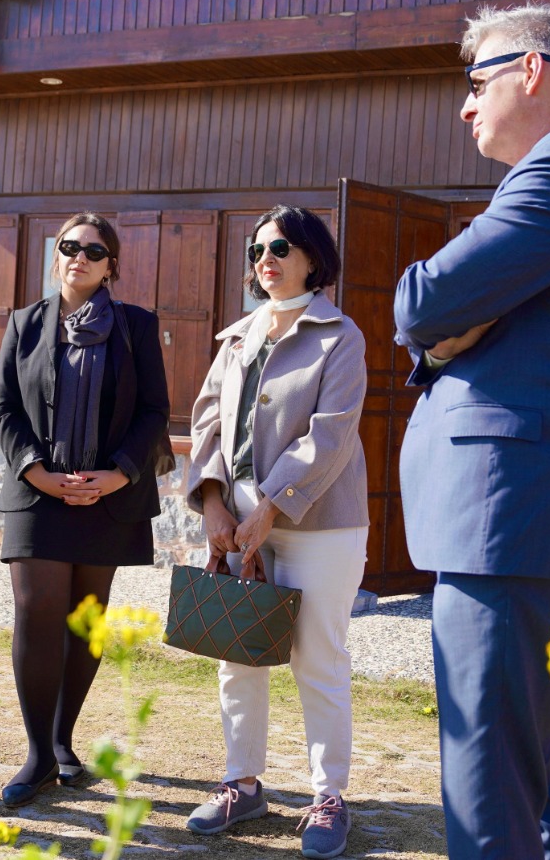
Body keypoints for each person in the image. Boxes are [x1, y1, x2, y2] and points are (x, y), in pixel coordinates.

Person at [392, 2, 550, 860]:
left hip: (508, 523)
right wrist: (451, 329)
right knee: (532, 787)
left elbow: (422, 300)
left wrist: (447, 325)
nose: (466, 106)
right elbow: (446, 318)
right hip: (523, 520)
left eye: (476, 82)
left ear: (529, 70)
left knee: (489, 789)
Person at [184, 206, 369, 860]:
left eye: (282, 247)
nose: (267, 257)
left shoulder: (340, 336)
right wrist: (211, 502)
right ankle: (242, 783)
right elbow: (206, 423)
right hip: (235, 528)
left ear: (313, 259)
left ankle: (327, 797)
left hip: (319, 527)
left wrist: (270, 505)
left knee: (318, 660)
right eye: (259, 248)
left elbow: (332, 433)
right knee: (240, 656)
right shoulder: (236, 338)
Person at [0, 212, 170, 807]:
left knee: (84, 621)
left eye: (95, 250)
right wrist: (36, 471)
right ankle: (38, 755)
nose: (80, 257)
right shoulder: (25, 323)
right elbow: (4, 409)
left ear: (111, 264)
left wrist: (117, 474)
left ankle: (63, 741)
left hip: (109, 495)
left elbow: (153, 411)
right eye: (70, 247)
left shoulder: (137, 327)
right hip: (37, 490)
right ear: (56, 255)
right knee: (37, 608)